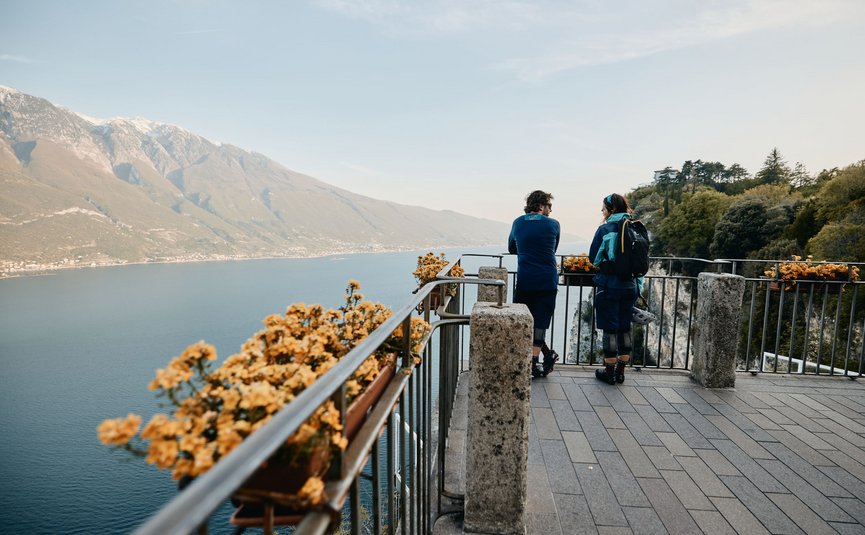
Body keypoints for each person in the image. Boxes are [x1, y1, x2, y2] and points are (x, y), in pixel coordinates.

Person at [508, 190, 561, 378]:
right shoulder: (554, 225)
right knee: (540, 322)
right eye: (549, 206)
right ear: (540, 206)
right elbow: (553, 248)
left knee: (523, 320)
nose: (550, 210)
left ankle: (540, 358)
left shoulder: (517, 222)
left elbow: (511, 248)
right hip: (547, 279)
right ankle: (534, 363)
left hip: (525, 279)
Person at [589, 193, 640, 385]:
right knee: (624, 328)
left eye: (603, 209)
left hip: (609, 286)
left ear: (610, 210)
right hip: (630, 286)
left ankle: (609, 373)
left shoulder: (606, 229)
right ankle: (620, 372)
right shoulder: (635, 228)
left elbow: (593, 258)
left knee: (610, 330)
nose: (602, 212)